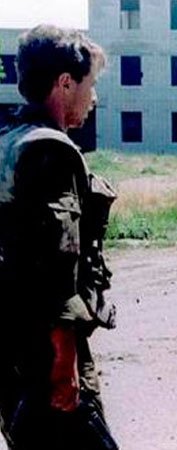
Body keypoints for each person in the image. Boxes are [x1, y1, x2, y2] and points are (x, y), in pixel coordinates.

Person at [0, 25, 118, 449]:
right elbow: (56, 259)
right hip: (45, 347)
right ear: (65, 83)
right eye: (90, 84)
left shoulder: (7, 142)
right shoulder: (51, 150)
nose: (94, 97)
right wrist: (63, 358)